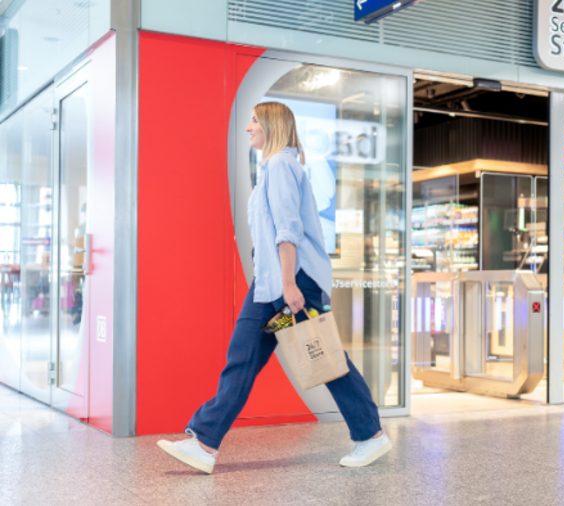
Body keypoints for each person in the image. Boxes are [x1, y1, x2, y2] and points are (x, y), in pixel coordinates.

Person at [157, 102, 392, 474]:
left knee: (324, 356)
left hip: (291, 285)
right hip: (269, 287)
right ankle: (204, 442)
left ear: (270, 125)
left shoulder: (282, 164)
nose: (248, 127)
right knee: (244, 358)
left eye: (254, 121)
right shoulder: (271, 167)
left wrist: (288, 285)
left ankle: (371, 434)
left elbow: (287, 229)